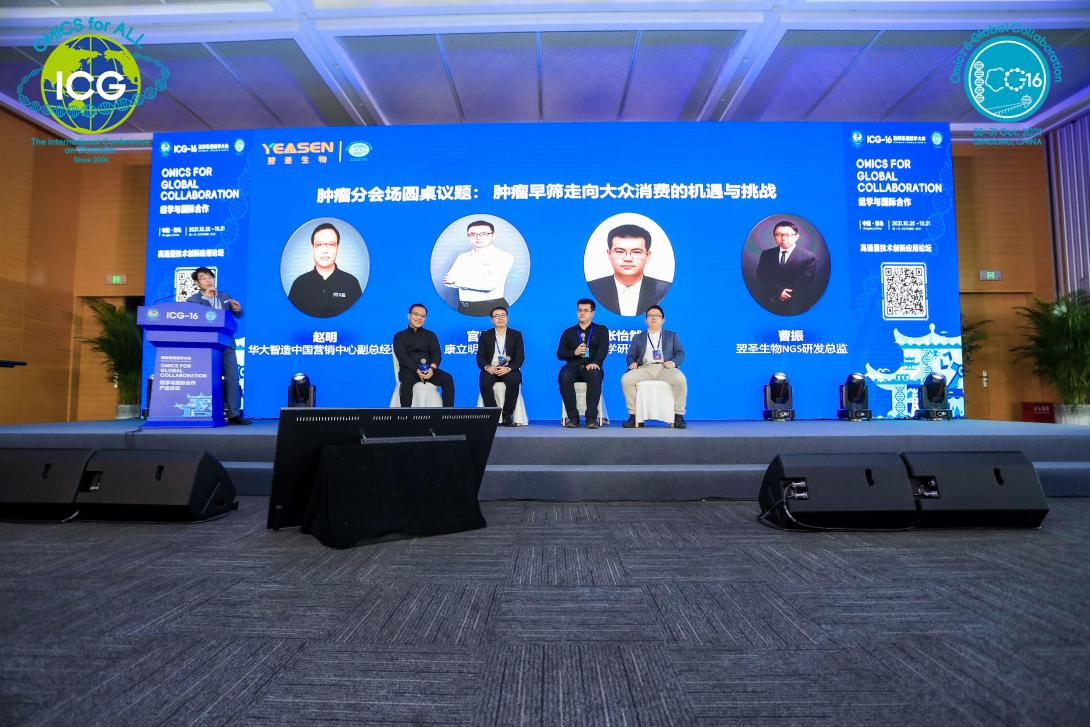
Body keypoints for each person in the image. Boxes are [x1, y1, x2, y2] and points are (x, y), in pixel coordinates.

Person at [186, 267, 250, 425]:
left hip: (227, 343)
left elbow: (239, 315)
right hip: (206, 346)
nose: (208, 280)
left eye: (210, 277)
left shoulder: (224, 296)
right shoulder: (193, 300)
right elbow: (196, 318)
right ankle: (206, 412)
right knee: (207, 379)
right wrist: (206, 299)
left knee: (233, 378)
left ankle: (234, 414)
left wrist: (238, 309)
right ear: (197, 283)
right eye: (203, 278)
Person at [621, 305, 687, 429]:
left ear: (663, 320)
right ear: (646, 320)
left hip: (665, 368)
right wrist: (631, 363)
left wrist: (673, 362)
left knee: (680, 379)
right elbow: (630, 355)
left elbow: (680, 353)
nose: (653, 318)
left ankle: (678, 415)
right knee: (626, 379)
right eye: (650, 315)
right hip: (645, 368)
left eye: (657, 315)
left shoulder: (672, 336)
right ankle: (634, 416)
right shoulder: (638, 337)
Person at [586, 223, 671, 316]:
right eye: (620, 251)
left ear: (647, 255)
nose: (628, 258)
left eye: (636, 252)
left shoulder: (663, 289)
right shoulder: (594, 288)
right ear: (609, 254)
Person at [288, 222, 363, 318]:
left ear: (338, 247)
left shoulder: (351, 283)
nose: (325, 250)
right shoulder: (299, 284)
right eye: (319, 244)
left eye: (331, 244)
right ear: (312, 248)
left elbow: (359, 319)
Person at [443, 220, 515, 316]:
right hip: (463, 307)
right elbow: (447, 282)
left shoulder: (504, 257)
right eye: (473, 234)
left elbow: (489, 285)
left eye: (484, 234)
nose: (478, 237)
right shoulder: (462, 257)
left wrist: (457, 281)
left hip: (492, 307)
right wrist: (477, 280)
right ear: (468, 236)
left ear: (493, 235)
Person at [557, 298, 609, 428]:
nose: (582, 313)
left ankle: (591, 418)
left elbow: (603, 349)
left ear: (592, 313)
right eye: (579, 310)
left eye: (586, 310)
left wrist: (596, 362)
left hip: (591, 365)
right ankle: (573, 418)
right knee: (564, 375)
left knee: (594, 373)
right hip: (573, 367)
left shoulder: (601, 330)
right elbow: (560, 354)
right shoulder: (568, 332)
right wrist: (574, 352)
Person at [392, 303, 455, 407]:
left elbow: (436, 354)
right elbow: (403, 357)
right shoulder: (399, 336)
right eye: (416, 314)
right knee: (406, 383)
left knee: (447, 378)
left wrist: (432, 369)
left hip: (428, 370)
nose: (419, 318)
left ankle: (447, 413)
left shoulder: (431, 335)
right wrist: (417, 369)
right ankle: (405, 414)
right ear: (409, 316)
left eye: (422, 316)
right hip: (409, 370)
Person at [755, 220, 816, 316]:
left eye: (787, 235)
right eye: (778, 235)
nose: (783, 238)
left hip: (796, 304)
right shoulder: (767, 254)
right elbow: (761, 276)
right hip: (771, 301)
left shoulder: (808, 257)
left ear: (796, 237)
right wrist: (778, 292)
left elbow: (803, 282)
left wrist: (784, 293)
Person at [477, 305, 525, 427]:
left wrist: (508, 368)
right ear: (491, 319)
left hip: (509, 368)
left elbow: (520, 358)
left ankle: (507, 416)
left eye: (503, 315)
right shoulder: (485, 335)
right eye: (497, 316)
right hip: (491, 368)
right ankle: (493, 416)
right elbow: (480, 358)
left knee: (514, 381)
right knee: (484, 382)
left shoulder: (516, 334)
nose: (500, 318)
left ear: (507, 318)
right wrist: (488, 367)